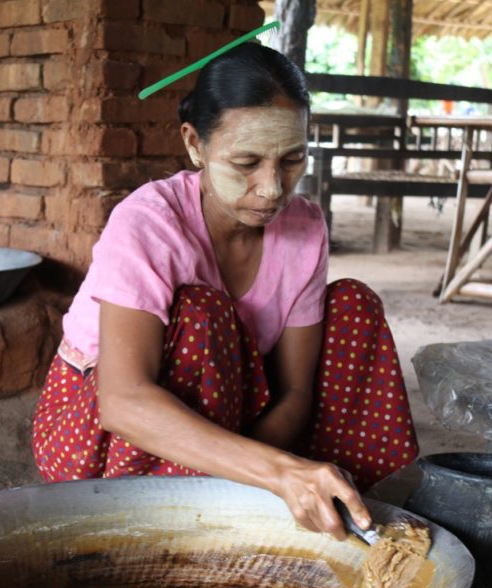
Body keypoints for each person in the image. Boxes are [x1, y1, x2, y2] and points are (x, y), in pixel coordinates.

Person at [31, 43, 419, 540]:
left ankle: (336, 509)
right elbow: (123, 402)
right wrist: (276, 472)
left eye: (292, 160)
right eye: (247, 162)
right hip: (100, 432)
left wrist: (255, 468)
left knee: (353, 307)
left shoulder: (304, 228)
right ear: (195, 145)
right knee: (200, 314)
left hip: (237, 407)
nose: (273, 188)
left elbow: (297, 392)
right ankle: (166, 526)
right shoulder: (148, 222)